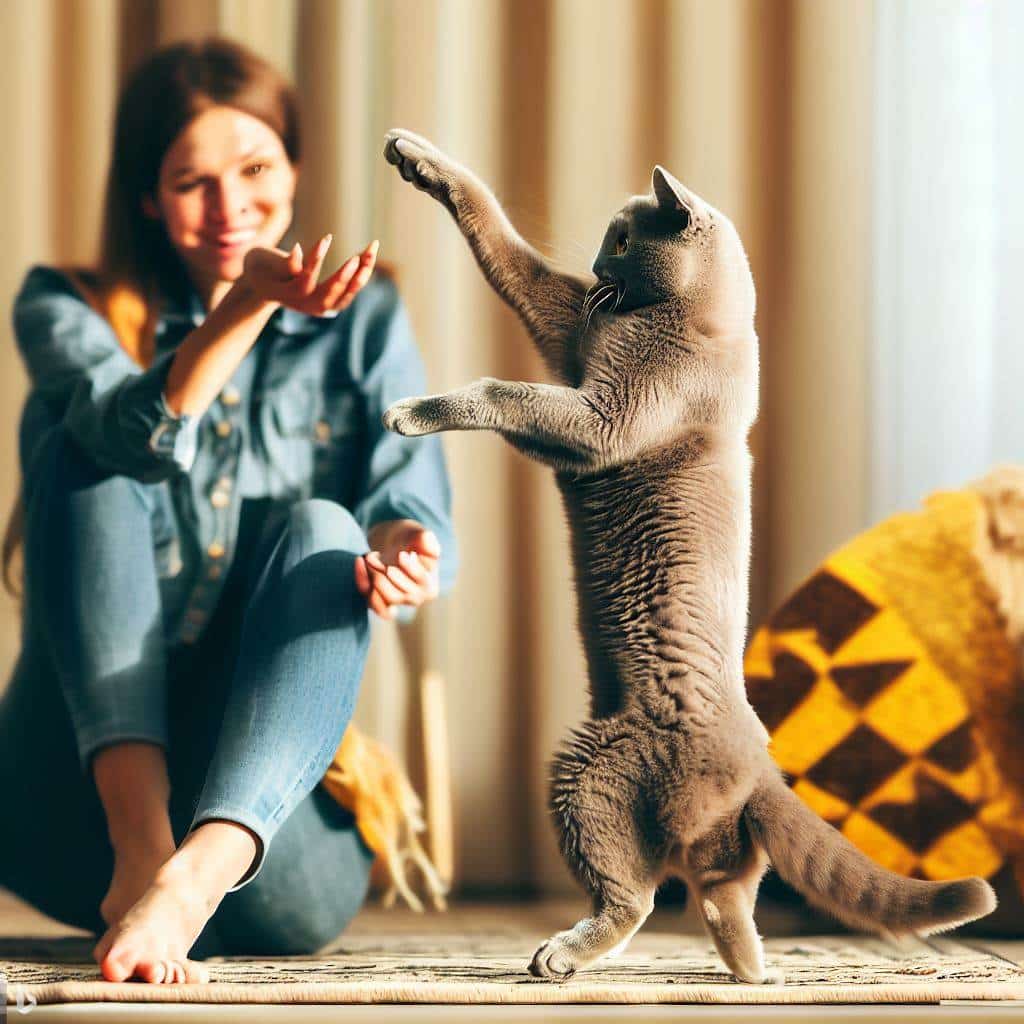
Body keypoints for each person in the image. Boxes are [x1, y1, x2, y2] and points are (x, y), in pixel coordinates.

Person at [0, 37, 457, 985]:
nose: (230, 206)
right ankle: (140, 855)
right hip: (63, 809)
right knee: (91, 442)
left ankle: (189, 880)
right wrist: (245, 302)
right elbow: (135, 434)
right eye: (190, 182)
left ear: (293, 166)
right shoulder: (64, 304)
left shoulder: (366, 320)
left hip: (254, 836)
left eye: (254, 168)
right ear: (145, 198)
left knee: (327, 529)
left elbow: (404, 499)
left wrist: (408, 546)